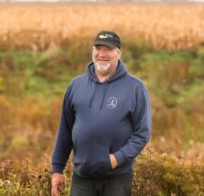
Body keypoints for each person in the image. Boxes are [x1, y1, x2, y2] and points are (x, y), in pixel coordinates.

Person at [51, 30, 151, 196]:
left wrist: (116, 159)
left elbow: (142, 134)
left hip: (117, 178)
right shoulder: (76, 85)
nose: (102, 54)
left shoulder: (135, 88)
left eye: (108, 49)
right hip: (82, 177)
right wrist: (57, 170)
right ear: (92, 51)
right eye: (98, 48)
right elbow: (65, 131)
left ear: (118, 53)